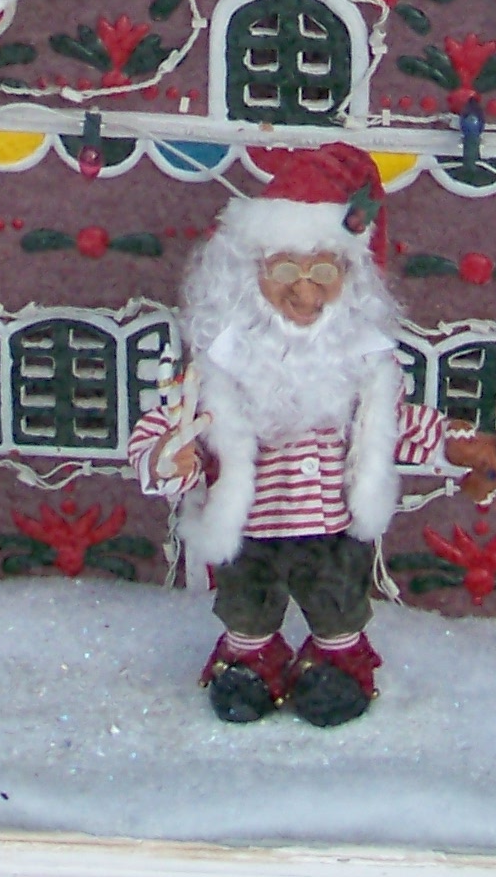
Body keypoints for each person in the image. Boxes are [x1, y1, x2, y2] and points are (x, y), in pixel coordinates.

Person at [130, 144, 455, 728]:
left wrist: (459, 445)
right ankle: (252, 664)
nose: (305, 293)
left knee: (337, 605)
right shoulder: (218, 364)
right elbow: (165, 426)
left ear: (348, 279)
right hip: (249, 529)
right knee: (245, 608)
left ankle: (336, 665)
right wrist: (165, 456)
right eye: (285, 271)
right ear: (248, 274)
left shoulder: (360, 364)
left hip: (330, 528)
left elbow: (397, 427)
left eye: (323, 272)